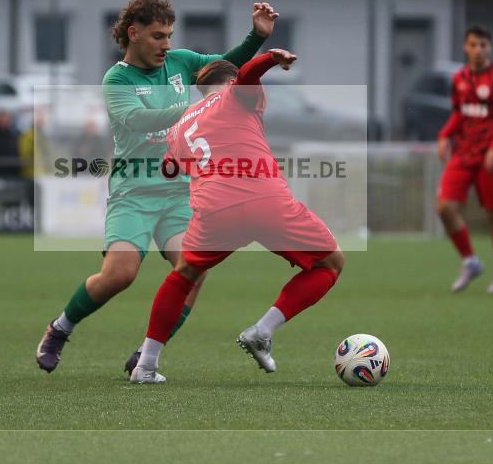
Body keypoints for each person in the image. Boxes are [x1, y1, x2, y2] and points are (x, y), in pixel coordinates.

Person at [36, 0, 278, 374]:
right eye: (158, 36)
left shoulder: (181, 62)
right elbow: (138, 120)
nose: (167, 44)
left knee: (192, 269)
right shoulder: (117, 79)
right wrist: (200, 107)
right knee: (120, 274)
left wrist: (257, 38)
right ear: (133, 34)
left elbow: (223, 67)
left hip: (180, 192)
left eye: (169, 35)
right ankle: (60, 328)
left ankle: (147, 353)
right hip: (133, 192)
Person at [129, 50, 343, 383]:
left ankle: (146, 365)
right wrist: (272, 56)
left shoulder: (179, 126)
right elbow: (248, 73)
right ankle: (262, 330)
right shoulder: (235, 94)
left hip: (214, 210)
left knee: (184, 274)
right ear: (229, 82)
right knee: (330, 264)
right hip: (264, 199)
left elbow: (169, 168)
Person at [436, 25, 493, 294]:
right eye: (473, 45)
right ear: (465, 47)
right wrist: (445, 134)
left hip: (490, 156)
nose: (478, 50)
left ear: (490, 47)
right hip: (464, 153)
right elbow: (460, 113)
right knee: (444, 208)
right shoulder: (459, 78)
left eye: (483, 45)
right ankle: (470, 262)